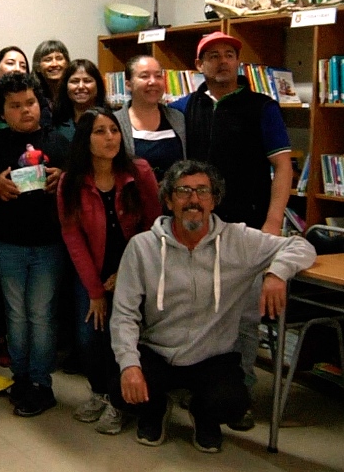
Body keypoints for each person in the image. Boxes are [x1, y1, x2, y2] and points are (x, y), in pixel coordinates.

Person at [110, 160, 315, 452]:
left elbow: (301, 247)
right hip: (157, 350)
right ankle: (155, 411)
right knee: (120, 387)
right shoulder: (142, 247)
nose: (194, 200)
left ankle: (203, 415)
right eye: (183, 191)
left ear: (214, 200)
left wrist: (276, 273)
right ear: (168, 200)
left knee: (233, 403)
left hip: (213, 356)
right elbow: (124, 315)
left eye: (202, 191)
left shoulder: (238, 240)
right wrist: (130, 366)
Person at [169, 32, 293, 430]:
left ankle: (238, 396)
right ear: (199, 65)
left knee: (242, 320)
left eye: (229, 55)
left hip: (248, 230)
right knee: (195, 310)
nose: (222, 61)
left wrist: (273, 223)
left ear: (238, 63)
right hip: (193, 231)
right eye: (213, 56)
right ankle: (195, 386)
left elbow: (283, 167)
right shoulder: (181, 109)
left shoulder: (262, 107)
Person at [57, 107, 161, 435]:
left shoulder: (139, 171)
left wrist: (126, 273)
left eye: (114, 130)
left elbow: (154, 226)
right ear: (84, 140)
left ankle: (121, 403)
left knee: (124, 338)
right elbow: (72, 236)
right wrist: (96, 291)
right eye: (100, 132)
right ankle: (101, 393)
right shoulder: (70, 181)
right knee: (90, 337)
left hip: (135, 268)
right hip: (92, 271)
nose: (110, 138)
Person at [0, 72, 69, 417]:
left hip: (49, 245)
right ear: (2, 112)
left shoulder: (59, 142)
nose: (24, 111)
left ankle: (41, 383)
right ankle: (20, 378)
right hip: (8, 244)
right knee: (16, 315)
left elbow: (82, 186)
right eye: (14, 106)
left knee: (42, 315)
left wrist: (65, 178)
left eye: (29, 103)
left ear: (40, 104)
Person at [113, 55, 185, 181]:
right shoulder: (114, 123)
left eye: (158, 76)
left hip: (174, 197)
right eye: (144, 76)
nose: (153, 82)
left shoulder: (178, 118)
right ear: (128, 84)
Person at [54, 58, 107, 142]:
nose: (81, 86)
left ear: (98, 85)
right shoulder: (56, 124)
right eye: (75, 81)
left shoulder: (110, 121)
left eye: (87, 81)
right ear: (65, 87)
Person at [32, 39, 71, 110]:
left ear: (67, 64)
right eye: (48, 60)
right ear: (37, 67)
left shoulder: (74, 93)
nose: (54, 64)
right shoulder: (32, 96)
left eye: (59, 58)